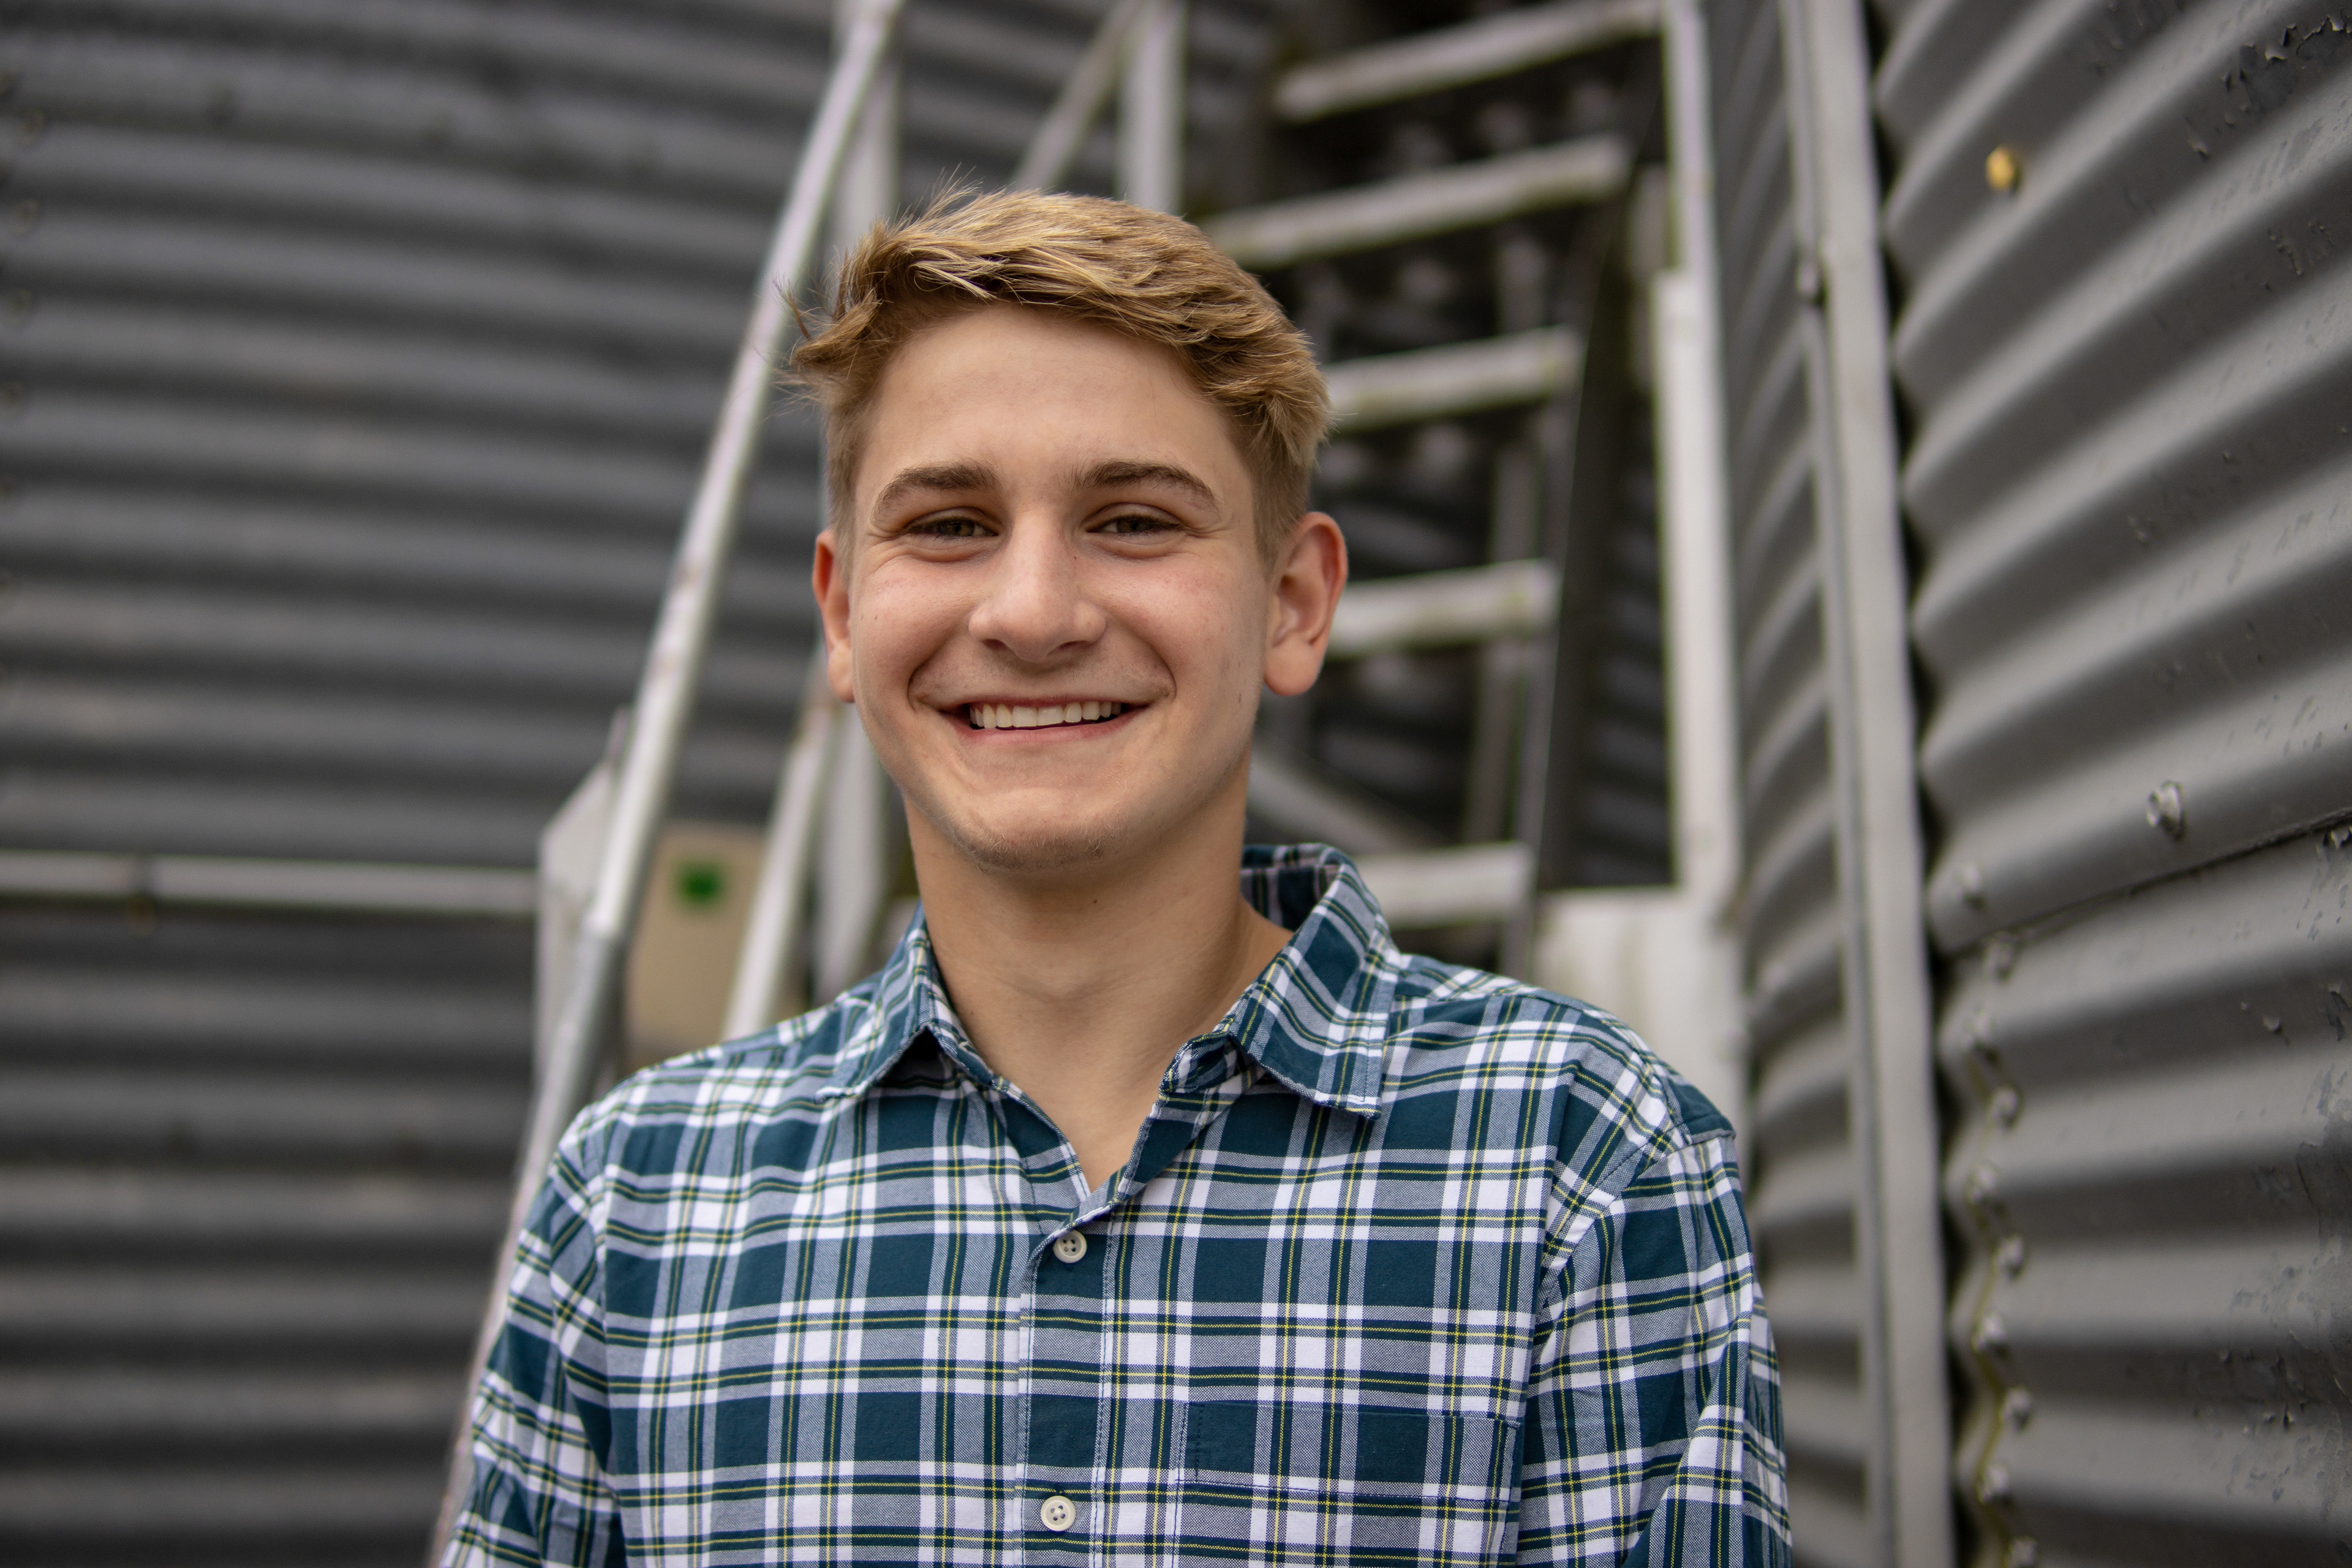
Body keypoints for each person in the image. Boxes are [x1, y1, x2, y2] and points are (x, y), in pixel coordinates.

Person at [446, 189, 1787, 1566]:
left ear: (1294, 603)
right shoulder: (633, 1205)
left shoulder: (1583, 1164)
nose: (1033, 614)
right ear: (842, 613)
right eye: (950, 524)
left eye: (1136, 520)